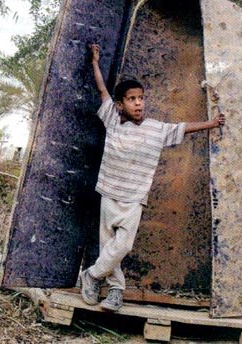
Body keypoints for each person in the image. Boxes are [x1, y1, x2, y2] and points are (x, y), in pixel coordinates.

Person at [80, 44, 226, 311]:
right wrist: (94, 62)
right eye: (132, 99)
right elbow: (102, 90)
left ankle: (91, 275)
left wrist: (211, 123)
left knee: (122, 246)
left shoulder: (156, 129)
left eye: (141, 98)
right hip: (109, 194)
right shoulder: (112, 120)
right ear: (120, 104)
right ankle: (116, 291)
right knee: (108, 248)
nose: (139, 103)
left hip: (134, 199)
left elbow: (183, 128)